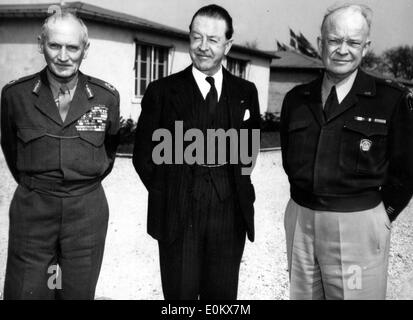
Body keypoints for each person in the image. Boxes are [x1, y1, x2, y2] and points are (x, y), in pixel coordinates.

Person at [280, 3, 413, 300]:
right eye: (334, 40)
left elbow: (405, 172)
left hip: (358, 222)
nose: (342, 49)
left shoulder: (389, 100)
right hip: (302, 220)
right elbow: (290, 161)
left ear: (365, 48)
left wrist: (380, 217)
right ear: (320, 44)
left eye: (352, 42)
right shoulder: (296, 99)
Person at [133, 4, 260, 300]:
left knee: (222, 302)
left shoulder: (246, 92)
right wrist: (173, 191)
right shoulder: (162, 92)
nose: (203, 47)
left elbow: (248, 153)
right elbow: (143, 157)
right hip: (179, 220)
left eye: (213, 40)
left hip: (229, 220)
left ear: (228, 44)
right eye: (196, 37)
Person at [1, 11, 120, 299]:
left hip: (86, 213)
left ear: (85, 50)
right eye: (54, 46)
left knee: (75, 292)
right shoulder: (15, 96)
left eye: (73, 47)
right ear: (41, 44)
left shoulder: (106, 97)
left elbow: (110, 150)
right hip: (34, 210)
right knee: (26, 292)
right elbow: (11, 148)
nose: (63, 56)